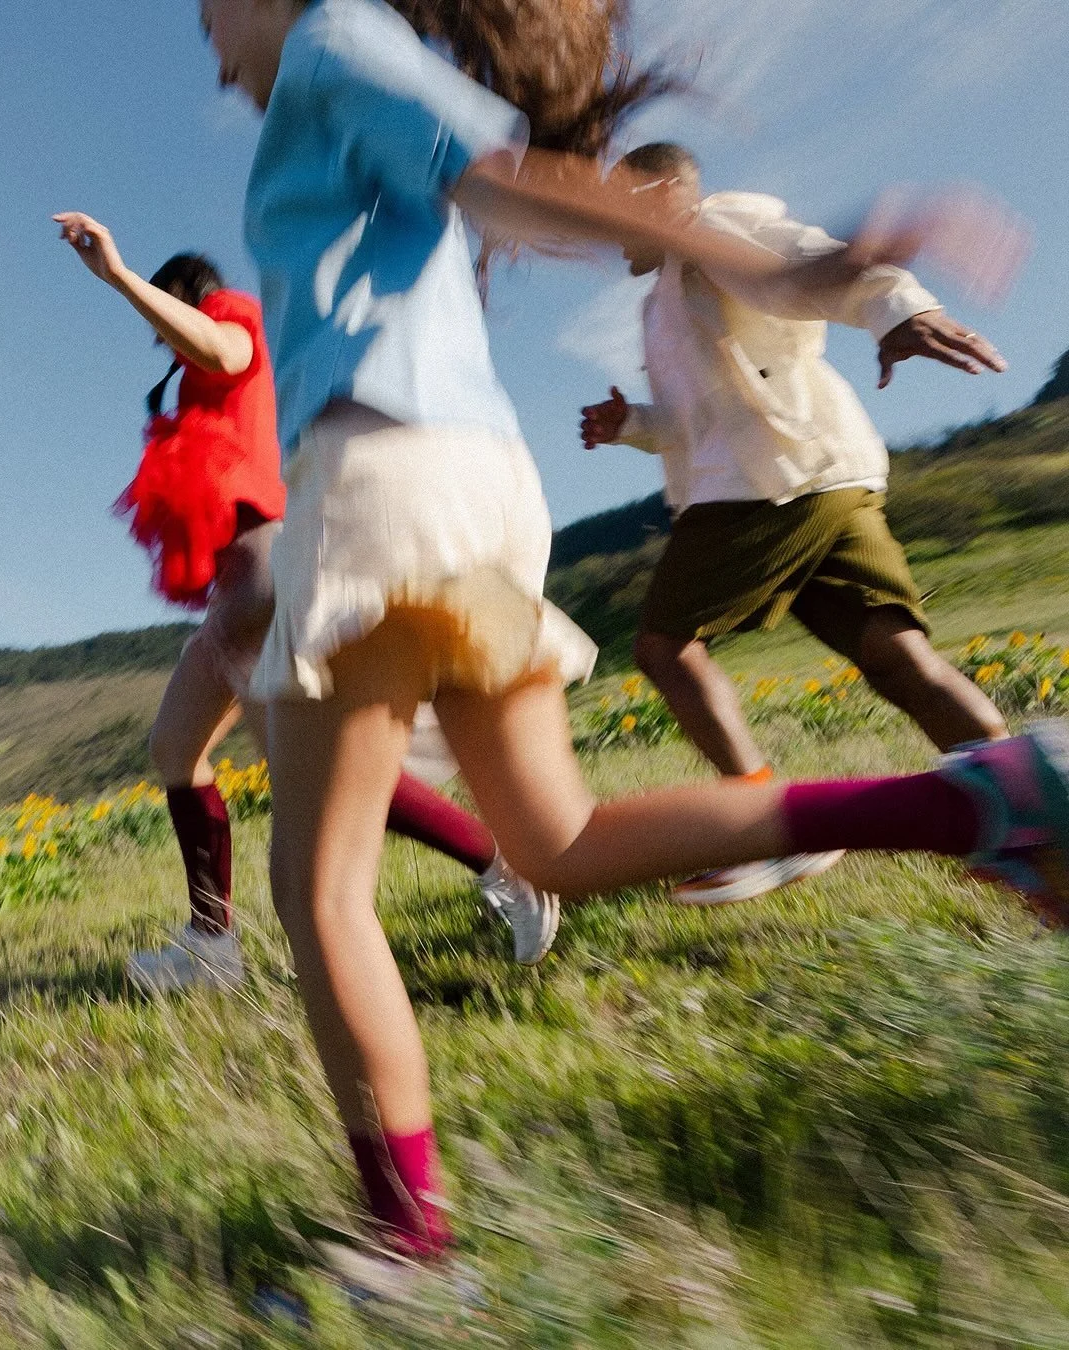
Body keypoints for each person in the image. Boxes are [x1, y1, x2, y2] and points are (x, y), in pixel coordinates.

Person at [199, 0, 1057, 1261]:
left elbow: (496, 176)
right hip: (475, 487)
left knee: (321, 892)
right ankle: (982, 801)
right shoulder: (336, 77)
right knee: (557, 843)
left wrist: (776, 270)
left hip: (385, 471)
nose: (210, 46)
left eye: (205, 13)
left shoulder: (333, 33)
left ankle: (406, 1252)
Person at [53, 219, 562, 991]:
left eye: (166, 317)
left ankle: (508, 869)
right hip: (236, 596)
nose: (165, 343)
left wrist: (121, 279)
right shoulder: (202, 371)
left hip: (260, 582)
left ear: (188, 295)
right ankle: (209, 942)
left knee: (329, 774)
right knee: (175, 751)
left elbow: (225, 352)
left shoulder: (234, 318)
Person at [581, 142, 1014, 904]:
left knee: (664, 647)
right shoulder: (668, 299)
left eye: (618, 212)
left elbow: (807, 267)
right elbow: (700, 419)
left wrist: (901, 307)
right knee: (896, 655)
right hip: (822, 477)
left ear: (659, 197)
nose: (611, 235)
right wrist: (630, 424)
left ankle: (764, 828)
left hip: (765, 489)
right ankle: (1035, 807)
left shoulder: (719, 227)